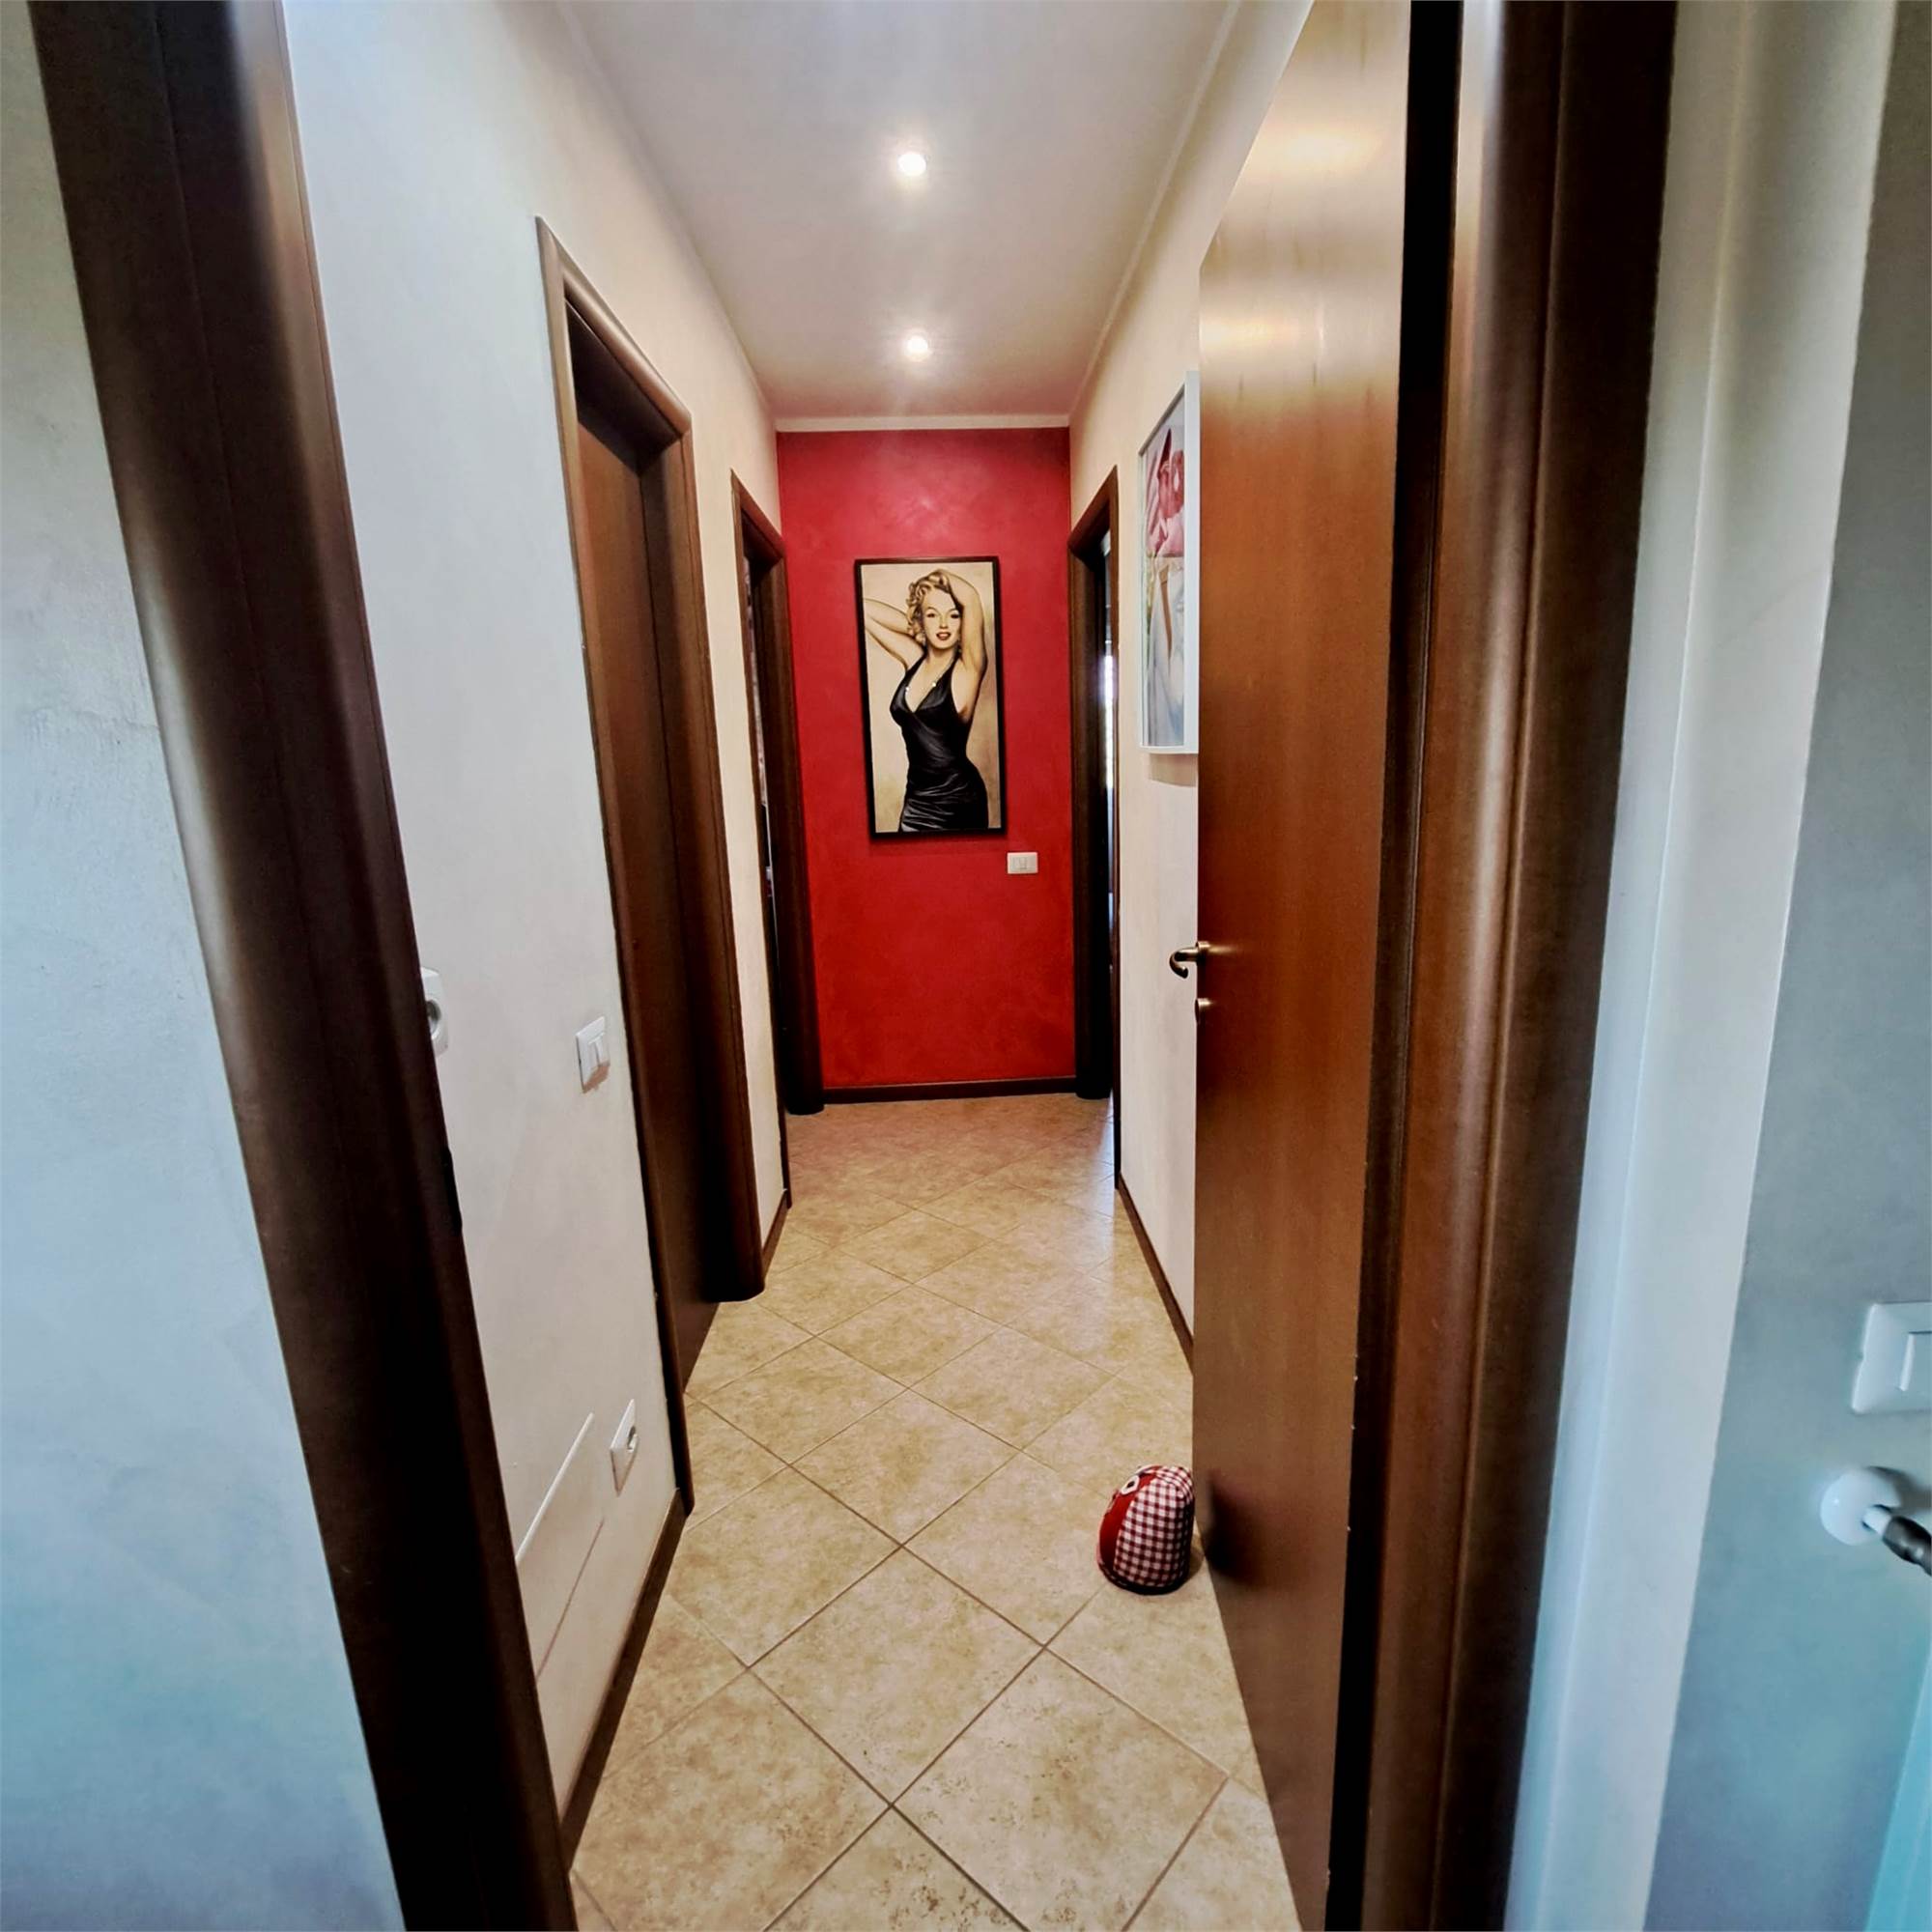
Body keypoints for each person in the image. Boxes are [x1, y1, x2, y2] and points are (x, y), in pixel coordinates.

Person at [862, 568, 991, 832]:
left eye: (953, 615)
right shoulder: (913, 658)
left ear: (963, 623)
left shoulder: (968, 670)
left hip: (958, 801)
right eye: (933, 615)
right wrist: (917, 625)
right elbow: (863, 610)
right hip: (916, 800)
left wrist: (941, 575)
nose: (943, 624)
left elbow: (971, 598)